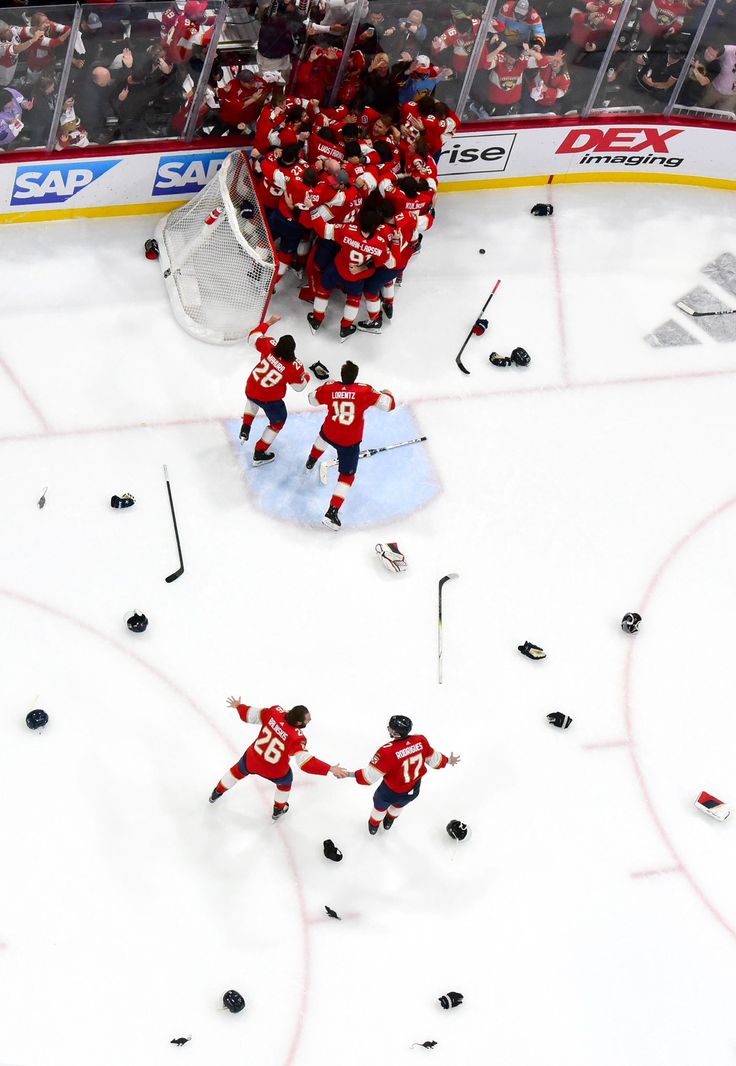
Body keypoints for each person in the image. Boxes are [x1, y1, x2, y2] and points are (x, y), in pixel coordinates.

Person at [209, 697, 350, 820]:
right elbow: (305, 763)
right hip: (275, 770)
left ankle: (217, 791)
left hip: (252, 759)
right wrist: (330, 768)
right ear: (299, 723)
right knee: (286, 781)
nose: (310, 719)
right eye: (307, 719)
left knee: (236, 772)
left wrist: (239, 706)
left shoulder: (274, 712)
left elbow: (250, 715)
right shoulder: (297, 737)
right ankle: (279, 808)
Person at [305, 359, 396, 530]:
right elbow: (389, 405)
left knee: (322, 439)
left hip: (330, 431)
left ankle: (310, 461)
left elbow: (312, 399)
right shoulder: (364, 390)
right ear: (355, 377)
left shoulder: (331, 388)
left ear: (341, 374)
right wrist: (387, 393)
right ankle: (332, 512)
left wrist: (323, 387)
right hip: (349, 441)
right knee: (347, 476)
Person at [349, 715, 461, 835]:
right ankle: (389, 820)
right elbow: (435, 760)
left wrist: (350, 774)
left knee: (379, 807)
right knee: (399, 805)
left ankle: (373, 825)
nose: (388, 729)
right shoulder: (421, 740)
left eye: (390, 728)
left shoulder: (387, 752)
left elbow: (368, 777)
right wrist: (448, 760)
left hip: (390, 791)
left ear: (396, 733)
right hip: (413, 789)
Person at [240, 313, 308, 465]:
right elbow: (299, 387)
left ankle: (246, 426)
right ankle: (259, 452)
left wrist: (269, 322)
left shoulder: (269, 345)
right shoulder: (295, 366)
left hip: (251, 386)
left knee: (253, 398)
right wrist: (307, 377)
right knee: (277, 423)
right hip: (270, 399)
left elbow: (252, 337)